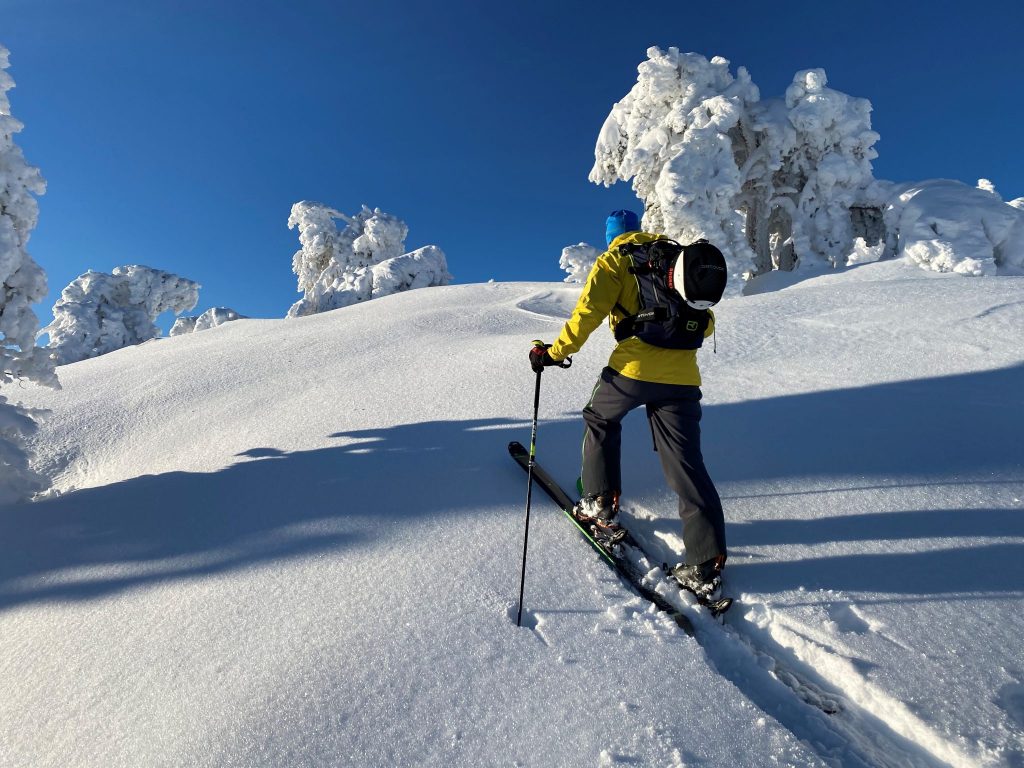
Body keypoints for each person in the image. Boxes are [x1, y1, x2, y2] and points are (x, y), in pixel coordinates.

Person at [528, 210, 727, 598]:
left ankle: (600, 501)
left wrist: (553, 353)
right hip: (683, 378)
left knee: (599, 417)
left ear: (611, 236)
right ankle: (705, 563)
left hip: (633, 371)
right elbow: (706, 322)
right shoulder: (674, 257)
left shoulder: (615, 261)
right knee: (687, 462)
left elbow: (587, 314)